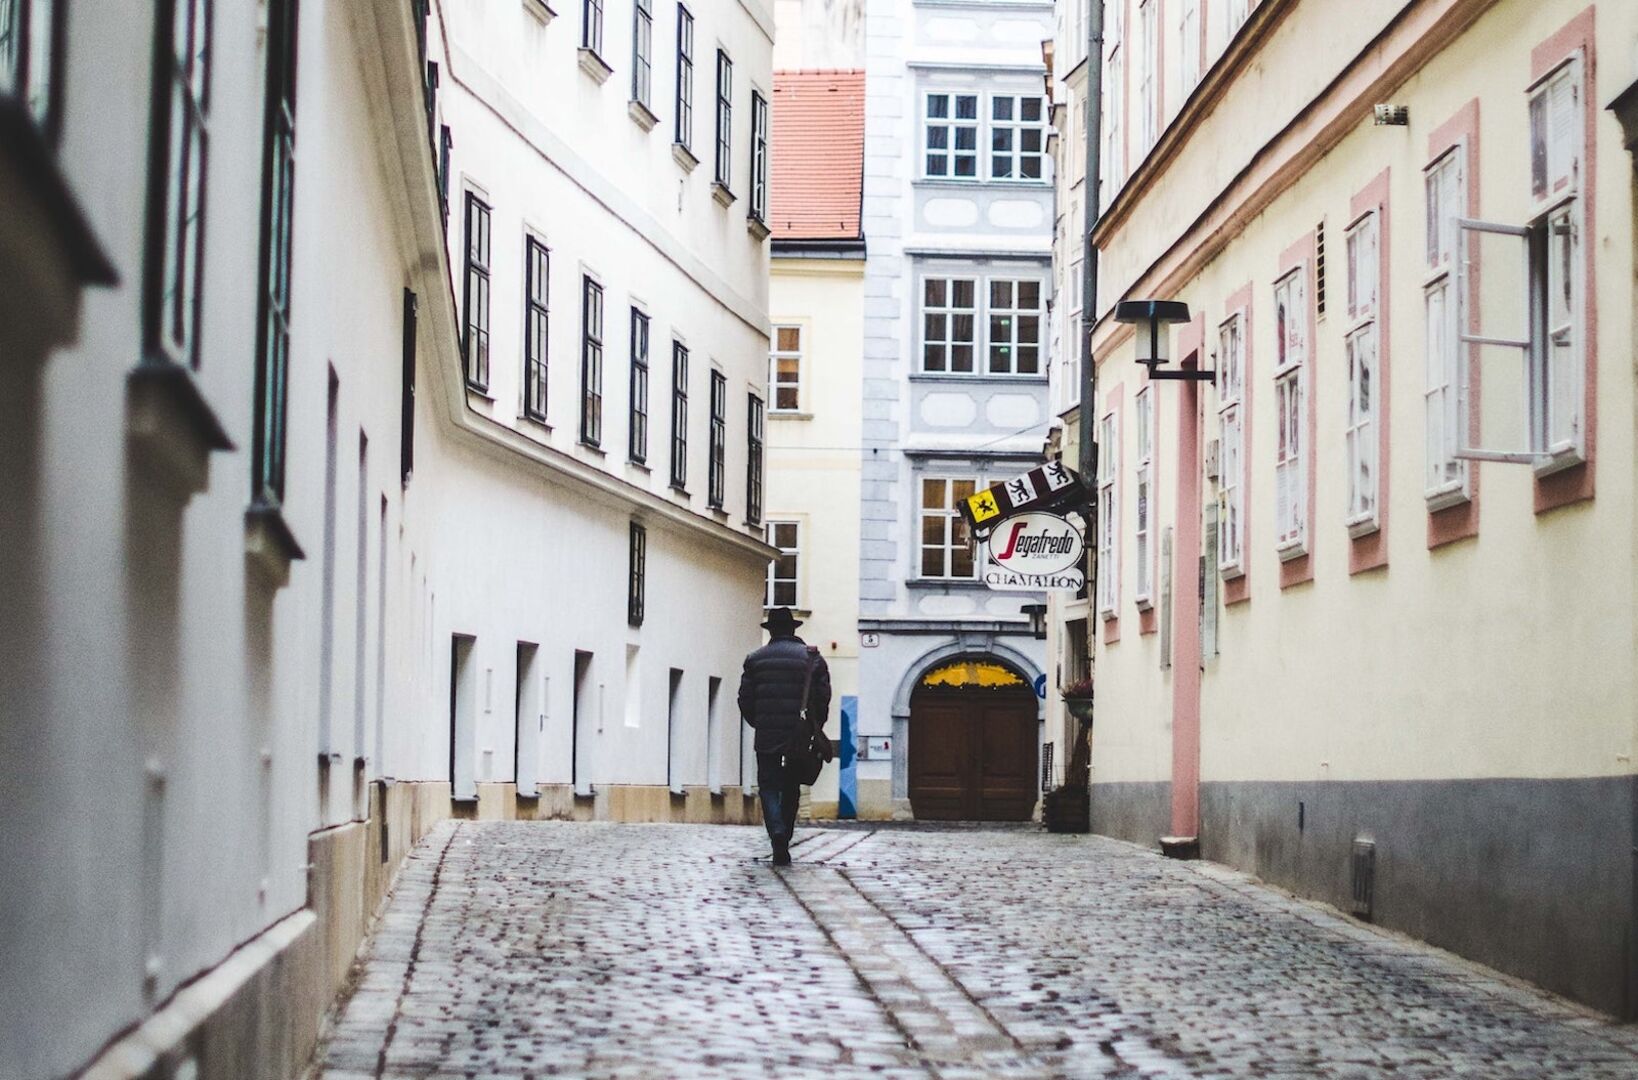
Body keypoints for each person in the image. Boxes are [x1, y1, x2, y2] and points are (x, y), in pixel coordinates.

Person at [737, 607, 830, 866]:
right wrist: (815, 726)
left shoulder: (755, 659)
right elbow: (823, 697)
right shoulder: (812, 659)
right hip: (799, 736)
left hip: (767, 735)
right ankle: (785, 835)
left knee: (768, 786)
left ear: (771, 632)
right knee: (792, 786)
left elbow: (745, 699)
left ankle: (775, 830)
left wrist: (760, 722)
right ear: (793, 630)